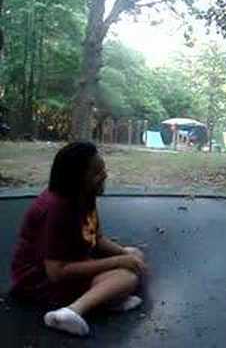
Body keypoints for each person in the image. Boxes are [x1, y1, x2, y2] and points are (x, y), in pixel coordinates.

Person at [10, 142, 147, 336]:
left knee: (134, 254)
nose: (105, 175)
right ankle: (70, 312)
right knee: (126, 276)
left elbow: (96, 239)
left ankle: (105, 297)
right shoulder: (55, 209)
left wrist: (125, 255)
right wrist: (118, 261)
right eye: (97, 173)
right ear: (77, 177)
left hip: (75, 261)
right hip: (38, 281)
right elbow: (56, 272)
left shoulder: (85, 196)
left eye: (104, 169)